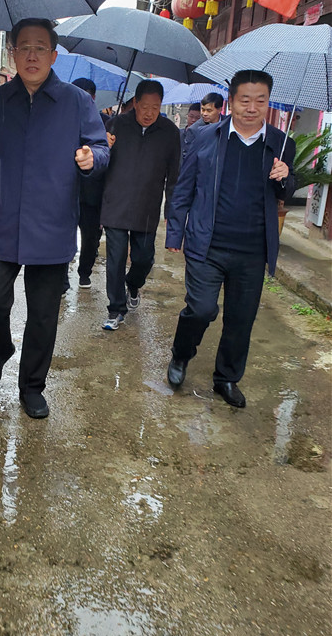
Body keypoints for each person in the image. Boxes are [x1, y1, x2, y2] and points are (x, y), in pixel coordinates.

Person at [0, 18, 109, 419]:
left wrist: (91, 158)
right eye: (24, 47)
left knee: (44, 315)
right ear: (13, 52)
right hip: (3, 221)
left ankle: (31, 386)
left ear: (53, 55)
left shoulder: (76, 102)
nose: (32, 55)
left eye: (40, 47)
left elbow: (101, 149)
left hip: (52, 222)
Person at [166, 69, 296, 408]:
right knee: (201, 309)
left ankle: (226, 377)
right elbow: (184, 187)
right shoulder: (205, 137)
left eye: (260, 101)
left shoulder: (281, 144)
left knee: (241, 318)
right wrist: (175, 232)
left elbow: (285, 192)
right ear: (231, 101)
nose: (252, 108)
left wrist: (285, 177)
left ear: (268, 102)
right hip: (207, 243)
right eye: (245, 100)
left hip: (252, 249)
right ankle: (181, 353)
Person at [100, 79, 180, 330]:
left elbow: (174, 176)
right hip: (115, 203)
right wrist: (104, 147)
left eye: (155, 107)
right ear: (135, 103)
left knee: (143, 259)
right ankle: (116, 309)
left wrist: (171, 212)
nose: (149, 113)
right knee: (115, 259)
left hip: (147, 206)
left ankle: (133, 285)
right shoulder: (115, 125)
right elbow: (98, 162)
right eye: (145, 106)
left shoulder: (169, 132)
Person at [70, 77, 108, 290]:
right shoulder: (61, 120)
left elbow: (108, 159)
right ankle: (62, 277)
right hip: (67, 191)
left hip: (93, 193)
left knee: (91, 237)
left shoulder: (105, 122)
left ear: (93, 98)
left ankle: (85, 272)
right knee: (63, 234)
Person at [181, 92, 225, 161]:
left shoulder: (229, 123)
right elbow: (188, 158)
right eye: (203, 109)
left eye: (209, 111)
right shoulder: (195, 130)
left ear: (219, 110)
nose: (204, 114)